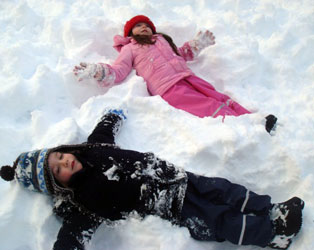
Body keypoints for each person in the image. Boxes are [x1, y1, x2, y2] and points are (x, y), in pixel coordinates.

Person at [0, 109, 303, 250]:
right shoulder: (82, 202)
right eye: (57, 170)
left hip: (176, 176)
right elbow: (73, 234)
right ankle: (270, 234)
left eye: (59, 156)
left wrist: (112, 117)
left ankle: (270, 207)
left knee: (226, 190)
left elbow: (104, 130)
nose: (65, 162)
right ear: (58, 185)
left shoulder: (94, 149)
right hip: (169, 205)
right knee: (217, 218)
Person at [73, 15, 277, 133]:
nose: (143, 27)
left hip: (188, 77)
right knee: (208, 107)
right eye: (138, 26)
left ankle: (253, 119)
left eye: (146, 25)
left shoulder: (161, 40)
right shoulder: (130, 49)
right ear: (130, 33)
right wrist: (97, 71)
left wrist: (197, 45)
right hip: (168, 88)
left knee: (219, 98)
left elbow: (181, 54)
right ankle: (247, 130)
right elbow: (117, 72)